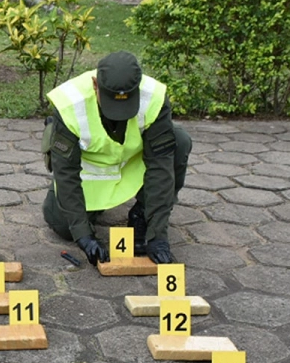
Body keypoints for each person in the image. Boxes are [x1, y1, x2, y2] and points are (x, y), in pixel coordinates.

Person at [41, 51, 191, 266]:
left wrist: (157, 235)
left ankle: (141, 214)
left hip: (130, 163)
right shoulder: (70, 103)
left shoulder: (154, 98)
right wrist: (83, 234)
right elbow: (66, 172)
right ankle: (87, 210)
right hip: (89, 173)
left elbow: (161, 167)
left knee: (179, 140)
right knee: (65, 227)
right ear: (95, 85)